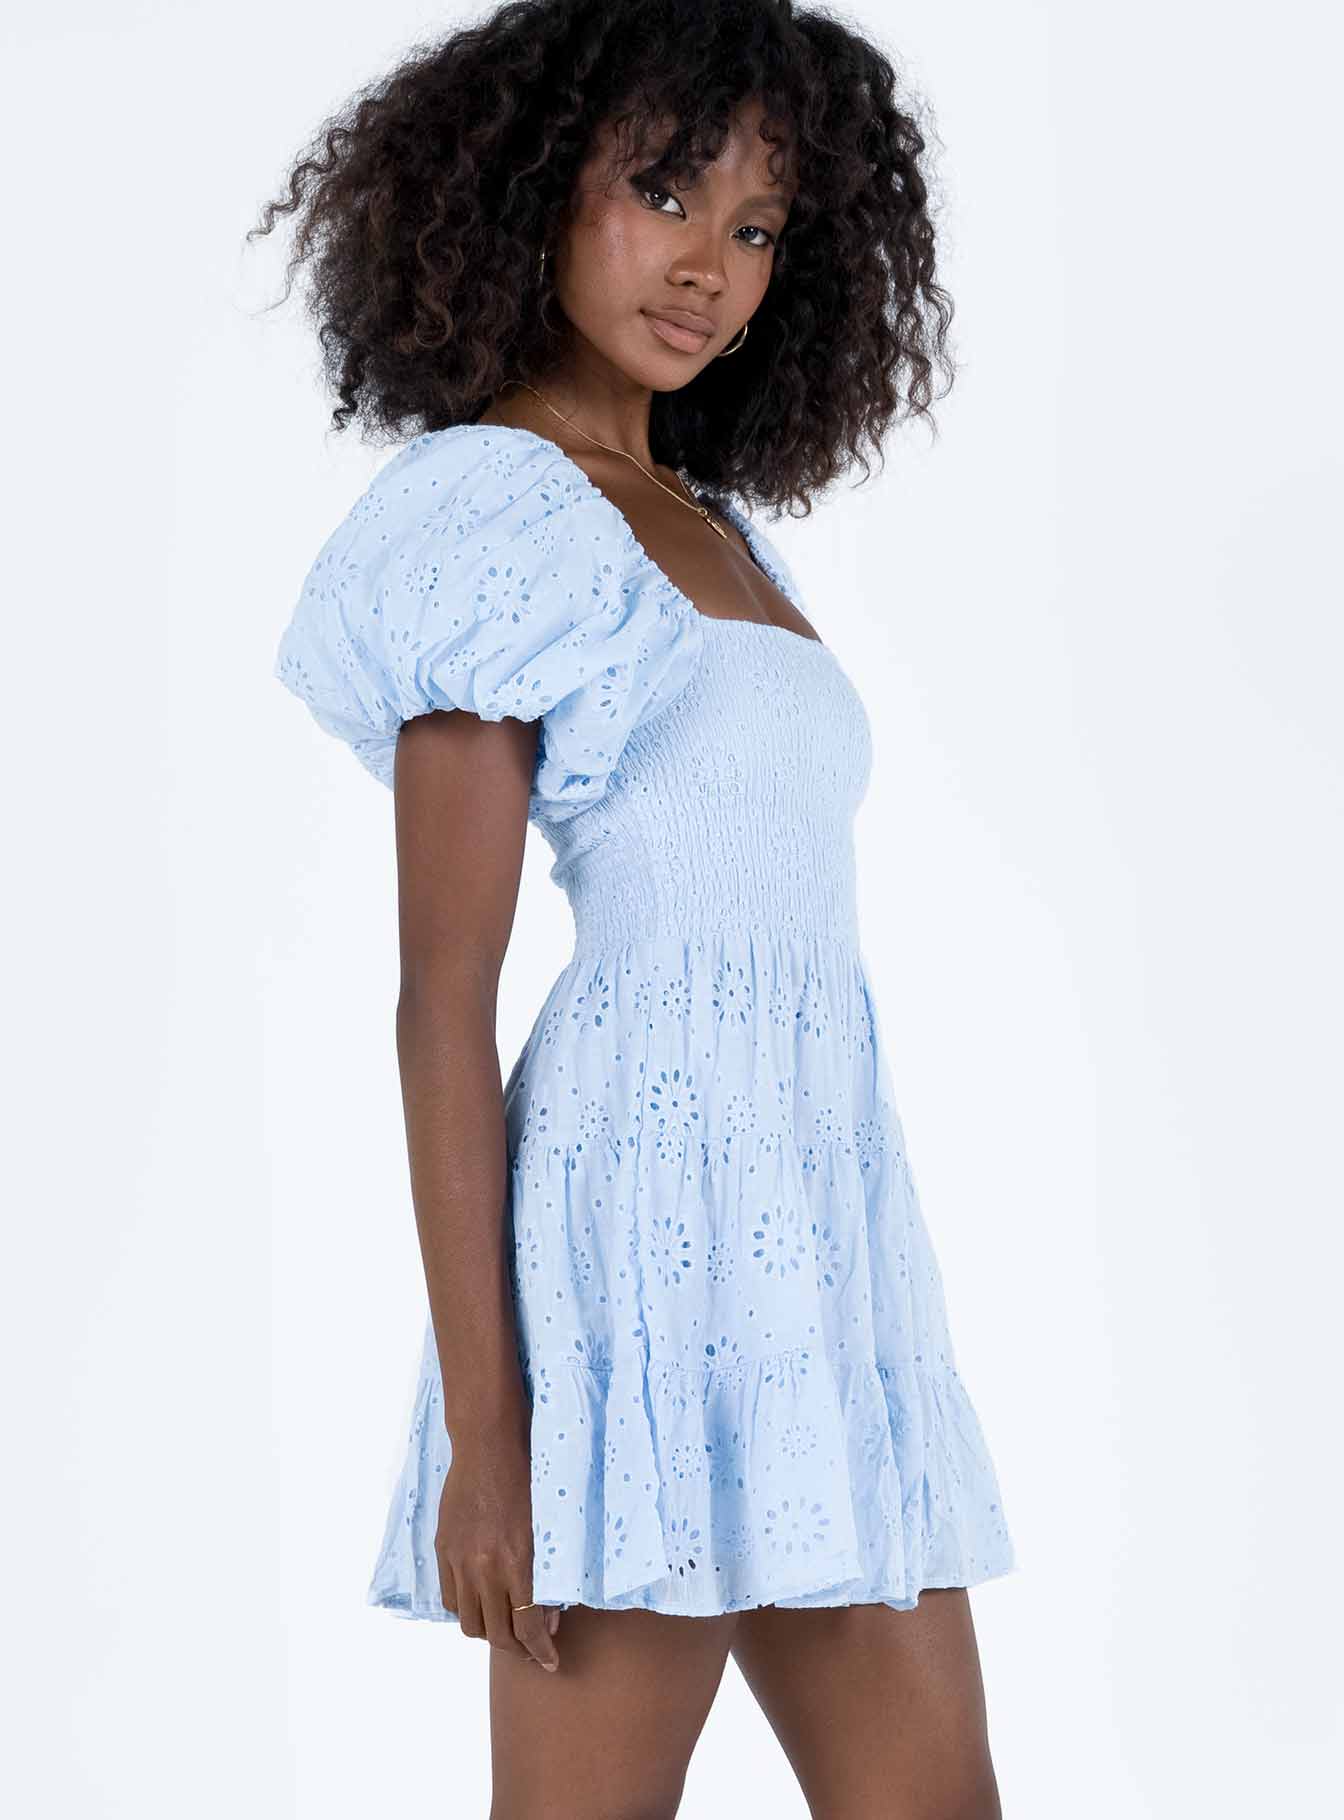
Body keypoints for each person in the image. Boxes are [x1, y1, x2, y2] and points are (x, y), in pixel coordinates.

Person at [257, 1, 1016, 1812]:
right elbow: (442, 999)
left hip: (820, 1237)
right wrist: (494, 1440)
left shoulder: (715, 521)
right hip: (633, 1256)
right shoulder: (491, 512)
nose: (708, 266)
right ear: (532, 193)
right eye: (663, 194)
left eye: (755, 227)